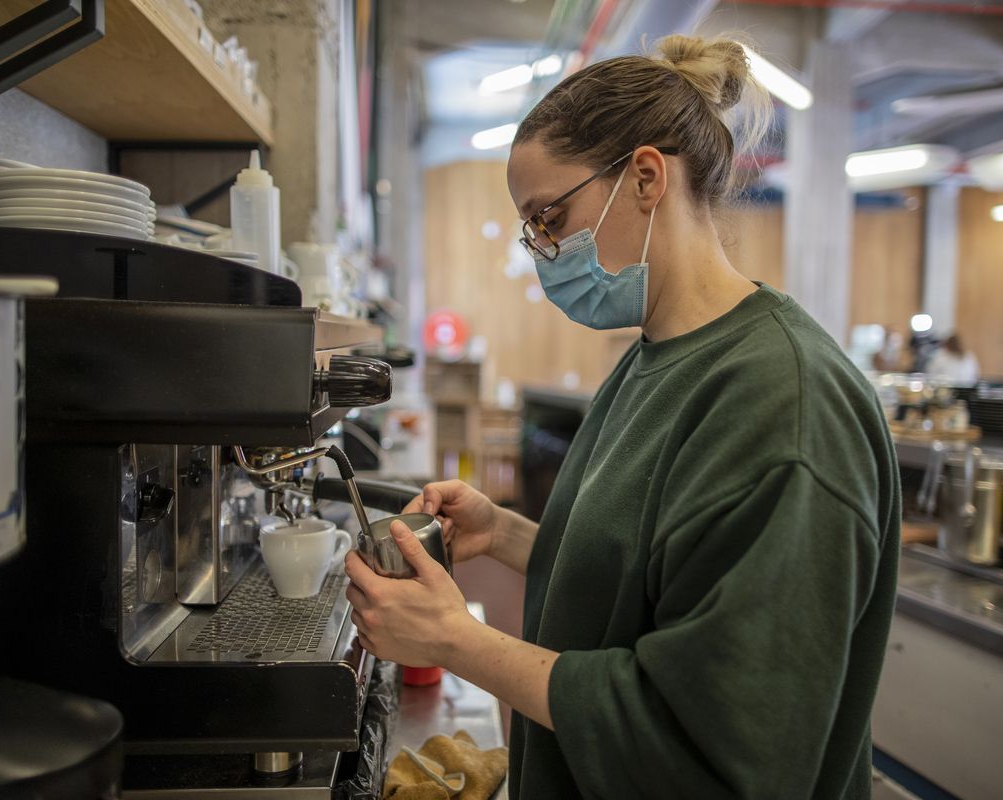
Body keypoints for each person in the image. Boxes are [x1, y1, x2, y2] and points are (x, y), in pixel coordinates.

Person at [344, 33, 900, 799]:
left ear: (644, 177)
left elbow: (724, 747)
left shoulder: (783, 407)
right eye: (531, 231)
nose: (543, 253)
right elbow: (647, 585)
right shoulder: (651, 360)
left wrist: (452, 641)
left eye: (550, 218)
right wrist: (506, 535)